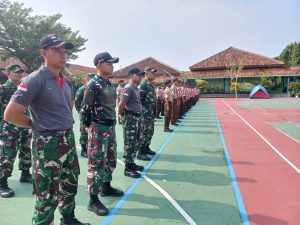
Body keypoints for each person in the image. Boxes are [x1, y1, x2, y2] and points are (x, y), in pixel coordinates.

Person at [4, 34, 89, 225]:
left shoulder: (66, 80)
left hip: (67, 139)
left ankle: (68, 219)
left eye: (65, 50)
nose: (63, 54)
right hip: (47, 144)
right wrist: (35, 125)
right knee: (47, 193)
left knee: (70, 184)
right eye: (57, 50)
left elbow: (68, 106)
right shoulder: (34, 80)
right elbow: (10, 114)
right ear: (43, 52)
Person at [81, 52, 123, 217]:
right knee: (96, 162)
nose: (112, 66)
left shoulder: (108, 83)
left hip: (109, 127)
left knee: (110, 158)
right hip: (98, 127)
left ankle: (106, 186)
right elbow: (85, 108)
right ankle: (93, 200)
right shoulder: (93, 84)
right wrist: (87, 126)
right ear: (99, 64)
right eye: (109, 63)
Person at [0, 64, 32, 198]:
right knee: (8, 154)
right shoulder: (3, 89)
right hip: (9, 127)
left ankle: (25, 174)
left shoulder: (24, 88)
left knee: (26, 151)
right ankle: (2, 183)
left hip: (24, 126)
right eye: (16, 72)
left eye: (21, 72)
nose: (19, 74)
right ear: (8, 73)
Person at [118, 67, 145, 178]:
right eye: (138, 75)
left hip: (136, 119)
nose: (140, 77)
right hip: (130, 118)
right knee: (129, 143)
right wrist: (122, 115)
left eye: (141, 75)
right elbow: (121, 104)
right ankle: (127, 168)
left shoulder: (135, 88)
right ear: (131, 75)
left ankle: (131, 163)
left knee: (135, 142)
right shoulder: (128, 88)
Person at [138, 67, 157, 160]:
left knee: (150, 131)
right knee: (144, 132)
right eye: (152, 73)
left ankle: (146, 147)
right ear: (146, 73)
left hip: (150, 113)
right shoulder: (143, 84)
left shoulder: (151, 84)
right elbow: (139, 100)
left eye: (154, 73)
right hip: (144, 114)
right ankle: (141, 151)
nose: (154, 75)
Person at [75, 73, 95, 158]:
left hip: (93, 114)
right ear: (87, 79)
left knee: (93, 131)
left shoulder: (94, 89)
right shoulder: (82, 89)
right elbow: (77, 103)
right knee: (84, 132)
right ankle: (83, 150)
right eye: (91, 79)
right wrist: (81, 112)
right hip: (84, 114)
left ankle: (91, 148)